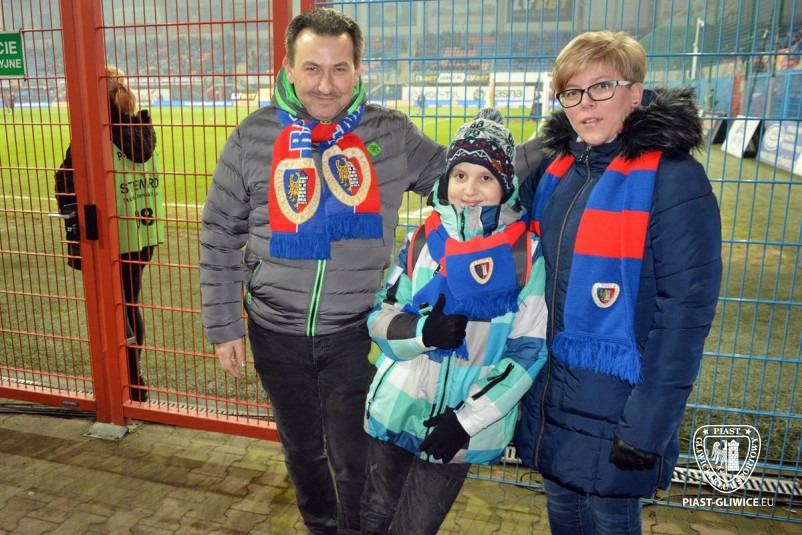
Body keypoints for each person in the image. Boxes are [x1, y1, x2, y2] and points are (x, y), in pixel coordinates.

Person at [199, 8, 445, 534]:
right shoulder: (253, 136)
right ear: (288, 68)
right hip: (275, 332)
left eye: (339, 69)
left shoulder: (390, 134)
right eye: (312, 68)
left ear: (358, 70)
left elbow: (465, 180)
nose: (326, 85)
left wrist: (553, 150)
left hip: (357, 334)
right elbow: (220, 230)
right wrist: (223, 326)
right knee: (302, 453)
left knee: (355, 459)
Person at [514, 31, 722, 534]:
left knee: (610, 517)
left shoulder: (674, 179)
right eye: (572, 92)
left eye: (601, 87)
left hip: (621, 407)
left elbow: (684, 316)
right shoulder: (559, 169)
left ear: (635, 92)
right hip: (553, 393)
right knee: (562, 509)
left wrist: (648, 425)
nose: (585, 104)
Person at [360, 109, 548, 534]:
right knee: (373, 516)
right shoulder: (423, 239)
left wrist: (466, 420)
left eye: (485, 177)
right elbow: (380, 316)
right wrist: (422, 332)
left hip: (458, 427)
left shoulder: (524, 254)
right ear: (446, 180)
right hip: (397, 408)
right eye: (460, 175)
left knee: (415, 527)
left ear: (506, 185)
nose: (470, 189)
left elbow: (528, 351)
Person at [55, 66, 162, 402]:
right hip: (142, 233)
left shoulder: (93, 133)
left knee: (113, 308)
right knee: (130, 302)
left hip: (110, 236)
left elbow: (65, 180)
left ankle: (126, 381)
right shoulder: (143, 127)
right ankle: (135, 381)